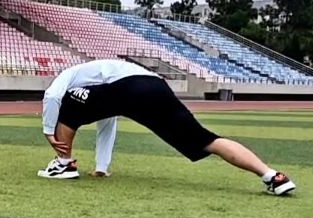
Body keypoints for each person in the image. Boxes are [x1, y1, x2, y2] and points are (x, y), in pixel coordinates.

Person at [36, 59, 297, 196]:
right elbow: (107, 123)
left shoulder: (70, 75)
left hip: (129, 86)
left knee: (69, 103)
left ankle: (64, 164)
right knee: (205, 139)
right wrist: (101, 168)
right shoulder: (98, 85)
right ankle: (272, 176)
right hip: (156, 86)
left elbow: (52, 96)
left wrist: (49, 130)